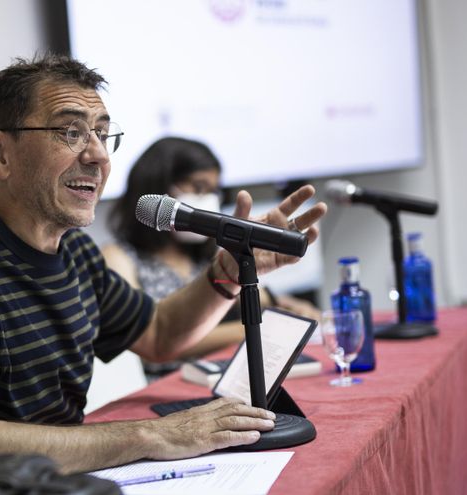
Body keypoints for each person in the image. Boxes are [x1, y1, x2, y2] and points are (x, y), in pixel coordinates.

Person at [0, 53, 327, 474]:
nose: (98, 156)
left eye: (102, 133)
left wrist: (226, 273)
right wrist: (154, 434)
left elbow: (160, 334)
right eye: (71, 133)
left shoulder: (75, 253)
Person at [102, 137, 321, 380]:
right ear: (157, 187)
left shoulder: (200, 257)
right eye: (198, 187)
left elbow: (224, 293)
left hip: (215, 380)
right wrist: (256, 330)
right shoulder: (118, 257)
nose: (208, 199)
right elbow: (148, 337)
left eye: (213, 191)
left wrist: (282, 303)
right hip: (162, 389)